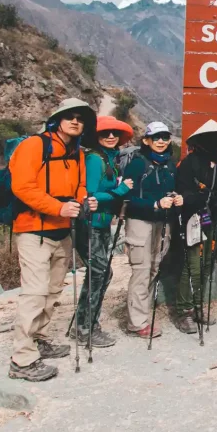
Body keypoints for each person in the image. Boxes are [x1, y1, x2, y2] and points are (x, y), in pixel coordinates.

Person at [8, 98, 97, 382]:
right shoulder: (34, 146)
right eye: (69, 116)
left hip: (62, 231)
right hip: (34, 229)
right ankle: (21, 359)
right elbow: (21, 186)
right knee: (34, 293)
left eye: (80, 118)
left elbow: (80, 186)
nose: (75, 121)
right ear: (56, 120)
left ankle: (39, 338)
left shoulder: (78, 154)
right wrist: (57, 207)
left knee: (53, 290)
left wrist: (84, 202)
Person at [72, 115, 135, 347]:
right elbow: (89, 195)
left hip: (101, 224)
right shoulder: (95, 159)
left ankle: (84, 324)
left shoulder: (111, 159)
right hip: (90, 224)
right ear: (96, 137)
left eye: (114, 133)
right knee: (100, 273)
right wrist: (120, 191)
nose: (110, 136)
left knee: (99, 273)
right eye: (104, 133)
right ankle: (86, 327)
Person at [176, 119, 217, 332]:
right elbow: (184, 192)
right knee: (193, 264)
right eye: (211, 138)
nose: (215, 142)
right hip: (194, 219)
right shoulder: (189, 163)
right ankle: (183, 311)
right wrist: (202, 198)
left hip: (214, 219)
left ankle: (196, 307)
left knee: (205, 264)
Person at [123, 121, 182, 339]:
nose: (161, 141)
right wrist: (155, 204)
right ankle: (137, 323)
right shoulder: (138, 164)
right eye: (156, 137)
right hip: (140, 222)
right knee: (141, 269)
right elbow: (127, 199)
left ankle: (141, 316)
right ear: (146, 140)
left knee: (154, 268)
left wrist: (174, 198)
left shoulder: (170, 164)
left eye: (165, 137)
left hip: (162, 222)